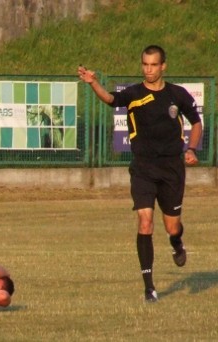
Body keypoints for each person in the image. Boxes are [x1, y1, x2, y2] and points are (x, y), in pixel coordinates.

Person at [78, 45, 202, 302]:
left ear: (163, 66)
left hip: (171, 168)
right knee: (145, 222)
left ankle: (177, 242)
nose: (148, 69)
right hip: (143, 168)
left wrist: (191, 148)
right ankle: (149, 288)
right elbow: (111, 99)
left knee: (172, 226)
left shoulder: (177, 94)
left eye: (153, 65)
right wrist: (93, 83)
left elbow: (196, 122)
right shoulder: (134, 93)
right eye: (145, 64)